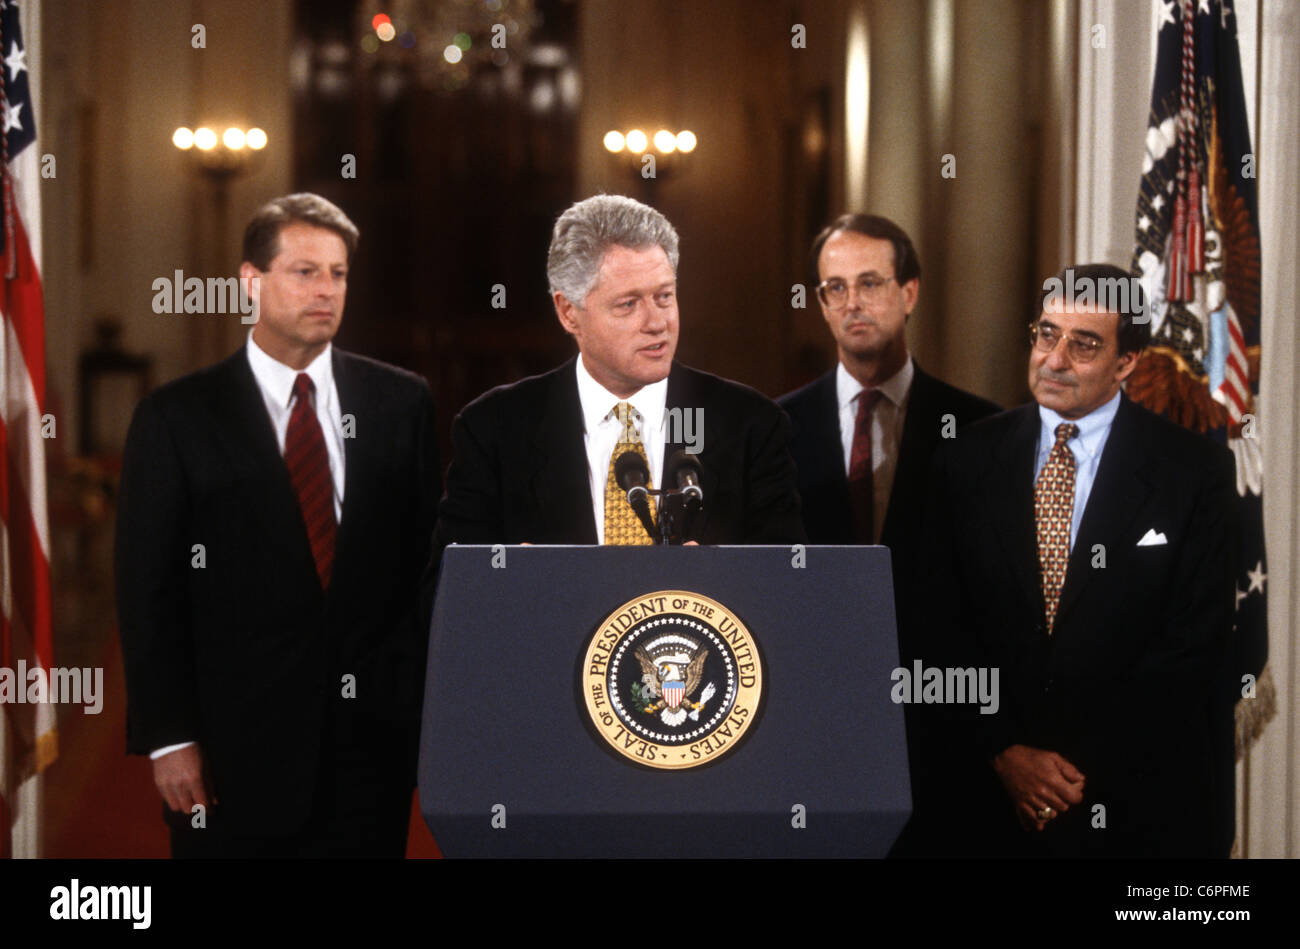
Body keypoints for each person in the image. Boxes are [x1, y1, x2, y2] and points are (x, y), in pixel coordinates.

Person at [115, 193, 441, 857]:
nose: (326, 290)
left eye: (339, 273)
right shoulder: (176, 417)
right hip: (228, 755)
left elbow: (424, 571)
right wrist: (169, 735)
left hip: (369, 753)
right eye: (305, 271)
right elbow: (147, 588)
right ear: (250, 281)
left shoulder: (401, 402)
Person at [918, 263, 1236, 857]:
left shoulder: (1193, 473)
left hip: (1135, 809)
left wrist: (1064, 774)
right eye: (1046, 334)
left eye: (1084, 344)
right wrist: (1006, 751)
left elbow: (1194, 648)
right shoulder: (964, 459)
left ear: (1127, 363)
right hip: (985, 804)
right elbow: (937, 628)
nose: (1054, 359)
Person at [778, 214, 997, 854]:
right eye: (834, 288)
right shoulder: (773, 432)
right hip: (810, 734)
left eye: (870, 283)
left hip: (944, 745)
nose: (852, 303)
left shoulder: (982, 430)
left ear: (909, 292)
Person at [434, 194, 805, 549]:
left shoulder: (751, 427)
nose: (657, 322)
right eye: (628, 304)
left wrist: (717, 580)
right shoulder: (493, 431)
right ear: (568, 312)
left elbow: (787, 587)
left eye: (664, 296)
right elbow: (446, 594)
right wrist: (521, 584)